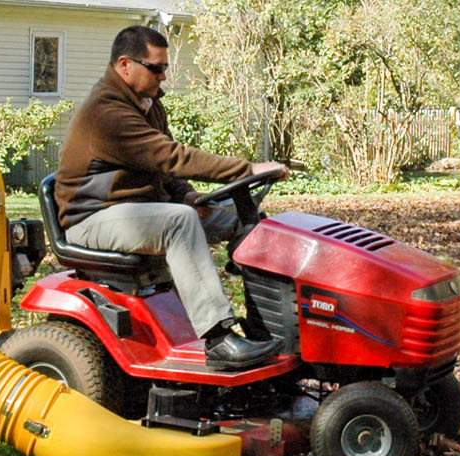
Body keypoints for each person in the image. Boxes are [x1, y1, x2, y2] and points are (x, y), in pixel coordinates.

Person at [55, 25, 290, 370]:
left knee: (244, 214)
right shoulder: (106, 114)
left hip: (136, 212)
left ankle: (265, 325)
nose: (164, 76)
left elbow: (165, 172)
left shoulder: (147, 104)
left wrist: (190, 196)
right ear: (124, 65)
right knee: (179, 223)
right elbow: (173, 157)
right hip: (92, 219)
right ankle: (219, 338)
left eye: (165, 68)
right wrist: (247, 169)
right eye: (156, 68)